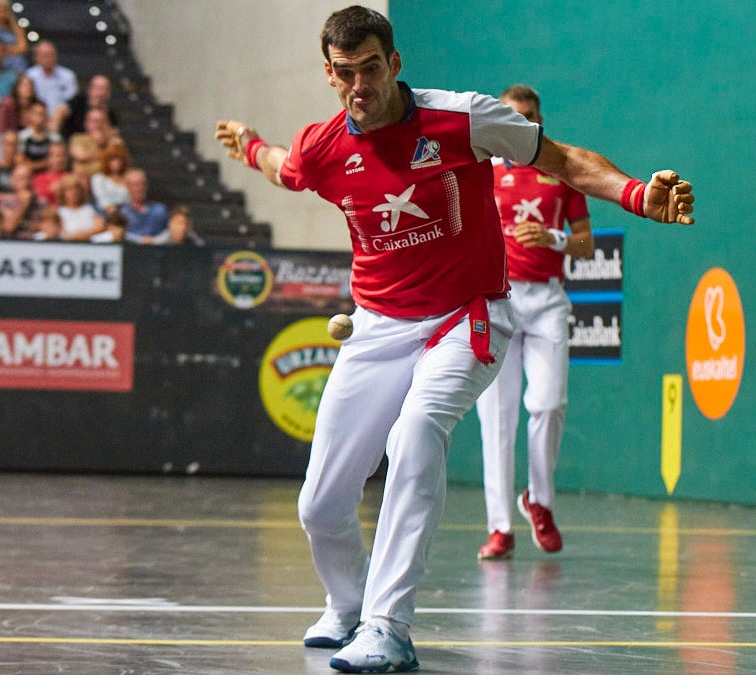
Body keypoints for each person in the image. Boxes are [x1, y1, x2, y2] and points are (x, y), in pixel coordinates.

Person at [212, 6, 693, 673]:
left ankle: (387, 624)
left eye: (371, 68)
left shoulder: (463, 118)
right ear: (328, 74)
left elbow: (561, 158)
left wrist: (638, 194)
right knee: (320, 503)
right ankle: (349, 604)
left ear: (395, 64)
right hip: (377, 325)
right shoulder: (325, 146)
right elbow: (283, 167)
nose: (360, 85)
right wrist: (251, 142)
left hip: (464, 316)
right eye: (345, 73)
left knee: (414, 433)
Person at [474, 85, 594, 561]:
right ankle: (500, 526)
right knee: (497, 419)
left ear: (539, 122)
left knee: (548, 403)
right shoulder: (480, 174)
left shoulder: (560, 169)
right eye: (512, 116)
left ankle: (538, 501)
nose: (521, 124)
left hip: (546, 301)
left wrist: (553, 237)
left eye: (529, 117)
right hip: (496, 302)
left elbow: (585, 243)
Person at [24, 40, 77, 129]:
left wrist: (56, 116)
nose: (48, 58)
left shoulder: (68, 76)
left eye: (51, 54)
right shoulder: (29, 75)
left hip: (60, 120)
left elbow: (70, 101)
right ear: (36, 57)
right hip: (34, 116)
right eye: (44, 55)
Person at [119, 167, 167, 243]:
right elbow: (118, 232)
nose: (140, 188)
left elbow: (170, 230)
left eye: (143, 183)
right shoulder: (122, 212)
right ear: (128, 187)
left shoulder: (160, 210)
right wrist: (139, 240)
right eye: (136, 184)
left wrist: (155, 240)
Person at [55, 174, 103, 241]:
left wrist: (76, 236)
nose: (73, 192)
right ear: (62, 193)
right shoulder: (59, 212)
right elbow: (60, 232)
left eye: (76, 189)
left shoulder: (90, 209)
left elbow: (100, 226)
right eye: (69, 190)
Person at [90, 141, 131, 213]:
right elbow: (102, 200)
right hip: (104, 212)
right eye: (113, 160)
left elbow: (130, 200)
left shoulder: (129, 178)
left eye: (119, 160)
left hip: (126, 212)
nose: (116, 163)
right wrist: (113, 212)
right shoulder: (98, 178)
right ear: (106, 161)